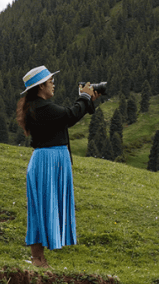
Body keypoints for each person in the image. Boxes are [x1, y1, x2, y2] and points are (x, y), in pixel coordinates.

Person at [15, 65, 97, 267]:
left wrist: (86, 101)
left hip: (48, 160)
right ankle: (37, 259)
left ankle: (38, 258)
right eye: (50, 82)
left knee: (40, 207)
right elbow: (69, 115)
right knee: (42, 206)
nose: (53, 85)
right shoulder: (42, 108)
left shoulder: (37, 107)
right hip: (48, 162)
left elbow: (66, 117)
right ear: (41, 86)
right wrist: (84, 98)